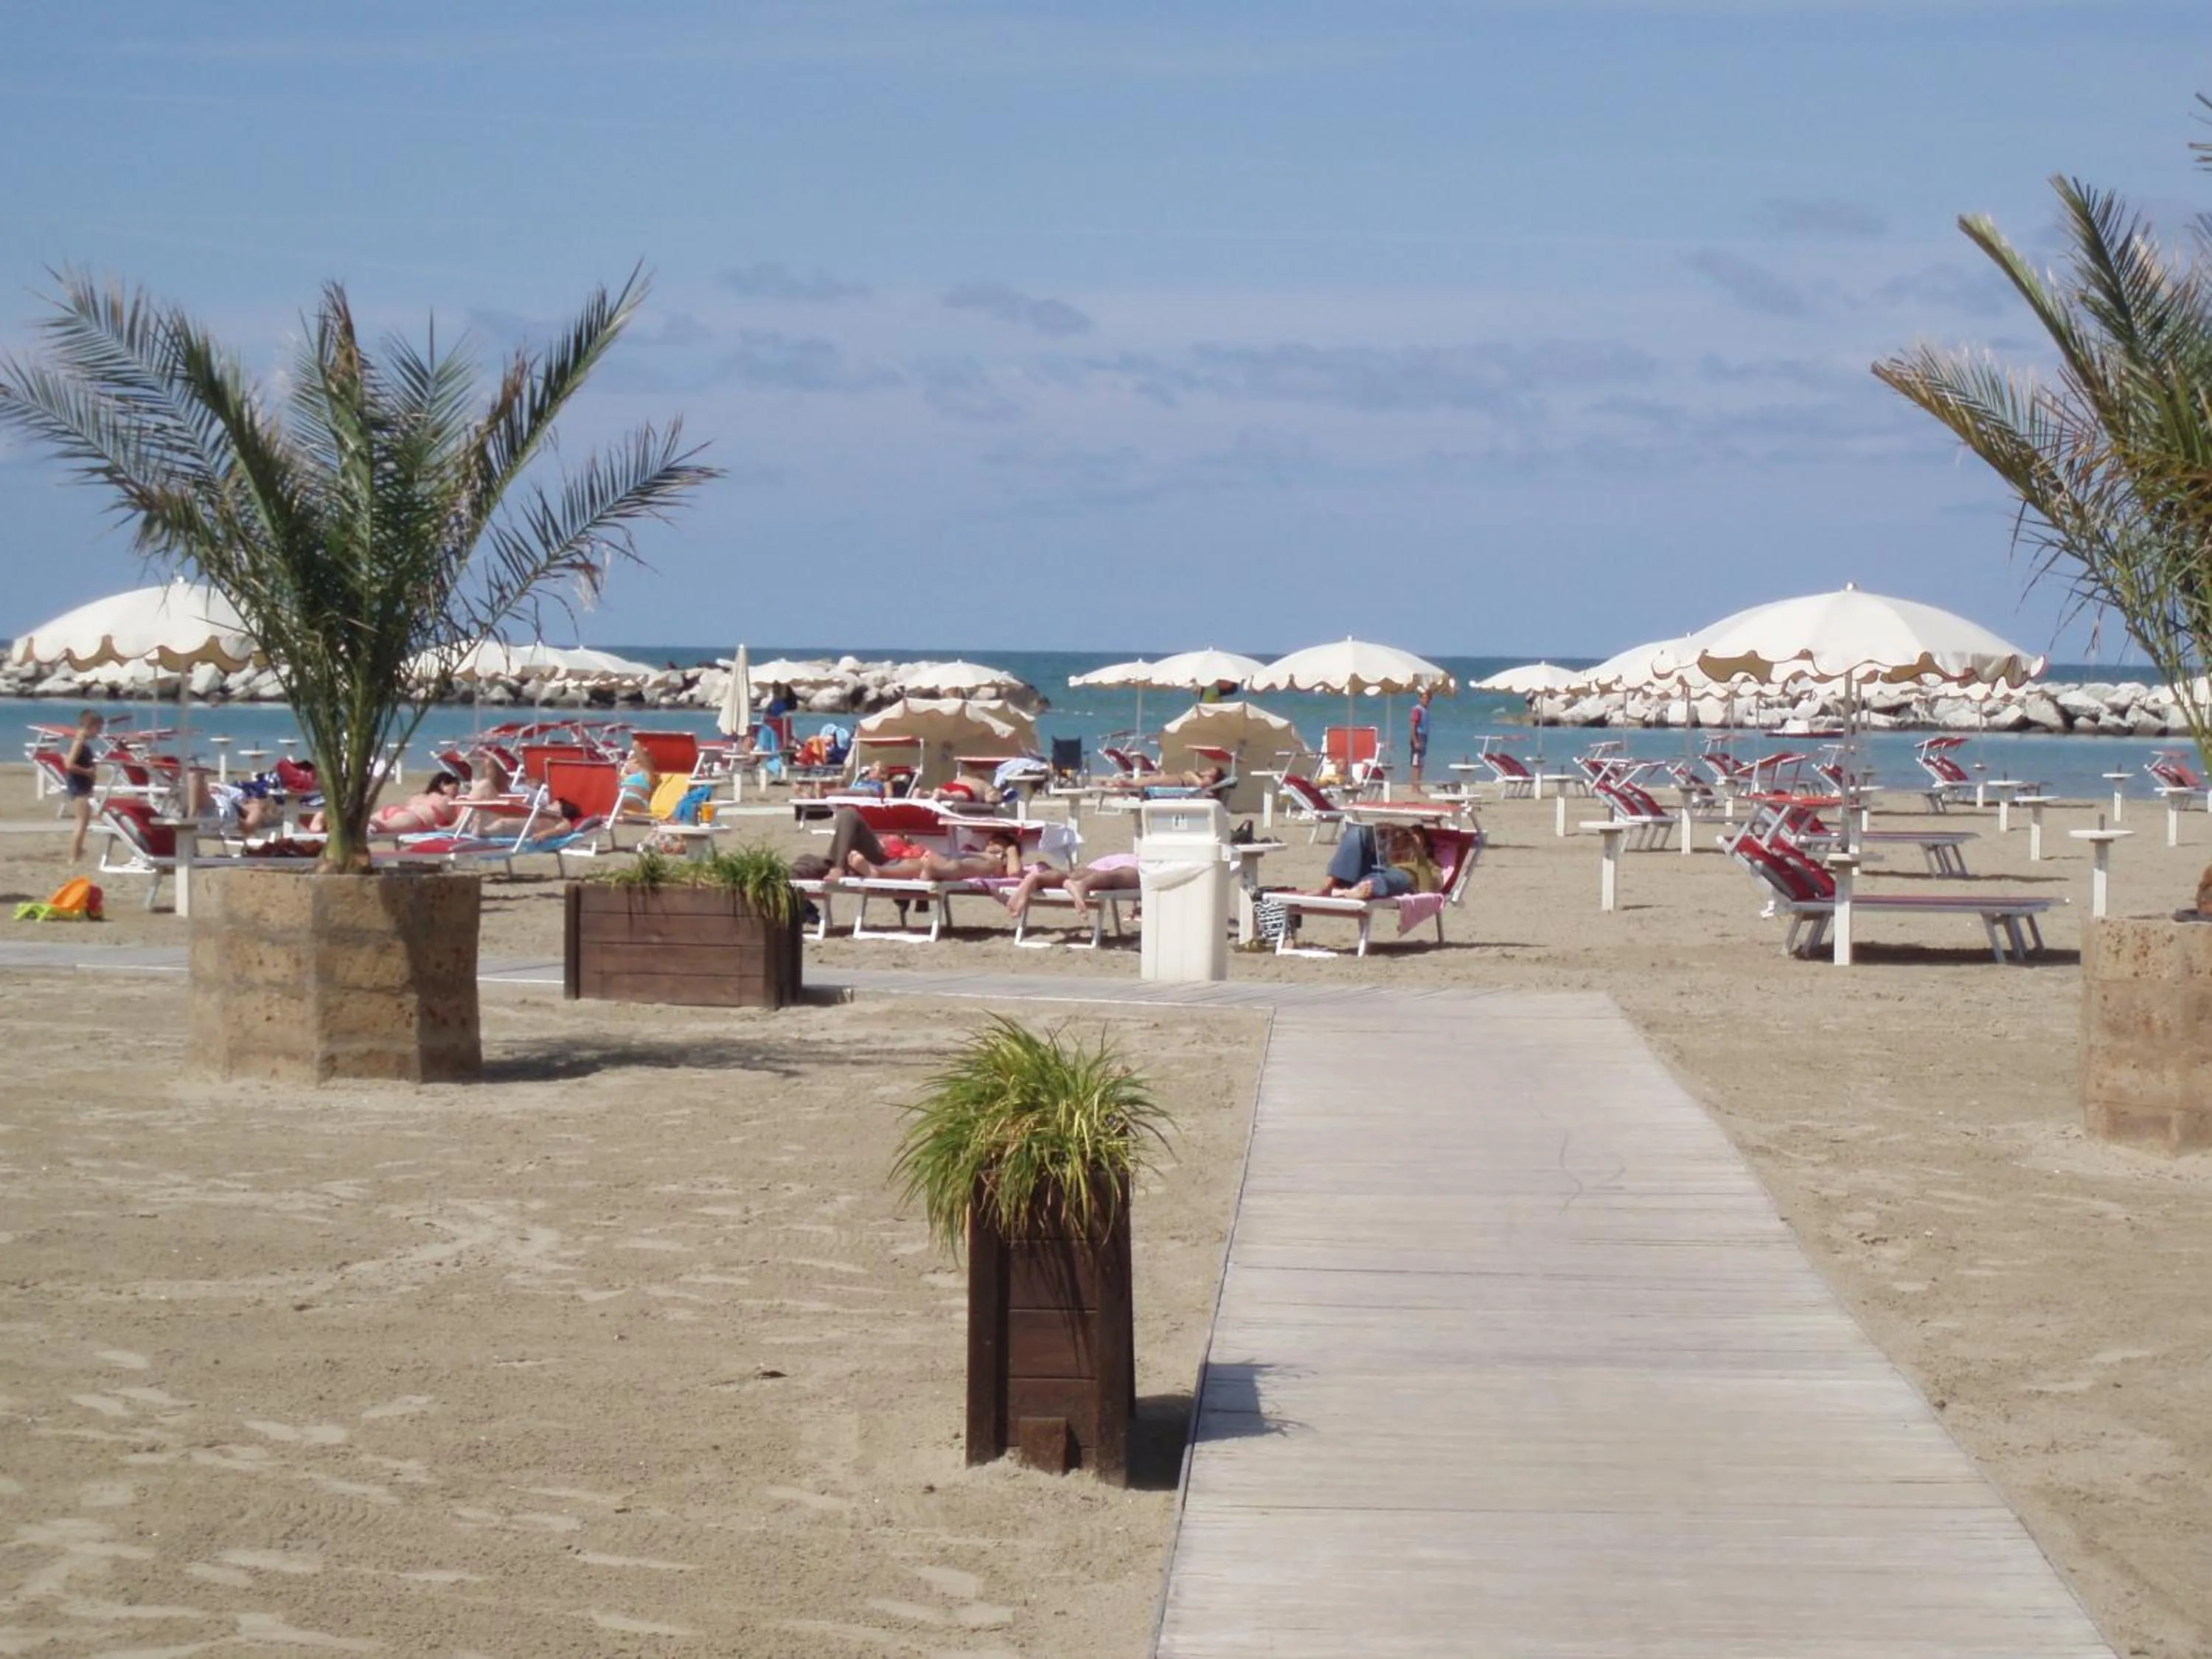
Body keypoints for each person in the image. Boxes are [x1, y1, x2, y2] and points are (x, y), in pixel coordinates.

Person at [1312, 823, 1439, 901]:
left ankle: (1347, 891)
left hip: (1401, 876)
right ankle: (1329, 885)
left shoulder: (1430, 864)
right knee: (1357, 832)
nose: (1407, 841)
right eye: (1407, 837)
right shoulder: (1388, 853)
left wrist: (1419, 853)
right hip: (1376, 868)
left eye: (1413, 838)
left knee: (1381, 881)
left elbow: (1428, 890)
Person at [1003, 851, 1141, 920]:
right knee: (1121, 877)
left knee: (1070, 875)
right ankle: (1082, 885)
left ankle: (1038, 878)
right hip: (1137, 865)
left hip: (1113, 861)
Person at [60, 710, 104, 861]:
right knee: (82, 821)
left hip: (82, 784)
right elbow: (69, 764)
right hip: (81, 785)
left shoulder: (77, 740)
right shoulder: (79, 742)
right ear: (90, 726)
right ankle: (73, 855)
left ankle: (77, 851)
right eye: (98, 729)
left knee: (84, 821)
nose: (99, 733)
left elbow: (65, 757)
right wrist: (87, 772)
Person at [369, 771, 466, 835]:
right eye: (456, 787)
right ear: (443, 784)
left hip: (392, 811)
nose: (457, 791)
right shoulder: (448, 801)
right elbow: (458, 824)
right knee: (383, 827)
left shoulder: (420, 796)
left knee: (367, 822)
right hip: (414, 818)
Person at [1409, 686, 1434, 786]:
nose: (1426, 700)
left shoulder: (1425, 710)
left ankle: (1418, 786)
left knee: (1421, 762)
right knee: (1416, 763)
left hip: (1423, 737)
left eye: (1427, 698)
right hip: (1418, 736)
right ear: (1420, 699)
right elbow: (1413, 726)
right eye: (1424, 698)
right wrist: (1415, 741)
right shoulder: (1417, 710)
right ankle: (1415, 787)